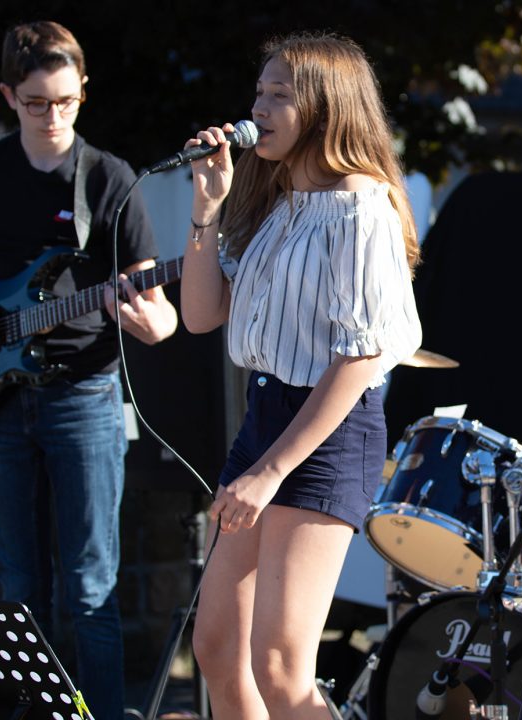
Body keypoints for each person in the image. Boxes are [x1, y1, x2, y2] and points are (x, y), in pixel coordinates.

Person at [0, 21, 178, 718]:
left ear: (84, 92)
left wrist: (147, 323)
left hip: (84, 395)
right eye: (36, 103)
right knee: (19, 588)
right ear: (7, 97)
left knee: (90, 589)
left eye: (66, 102)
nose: (53, 117)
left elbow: (162, 314)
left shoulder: (107, 178)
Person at [179, 33, 422, 718]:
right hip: (264, 419)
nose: (259, 107)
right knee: (216, 647)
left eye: (279, 95)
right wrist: (206, 210)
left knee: (281, 666)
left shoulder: (362, 207)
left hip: (325, 433)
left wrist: (271, 472)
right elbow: (200, 315)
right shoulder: (278, 201)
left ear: (325, 107)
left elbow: (362, 356)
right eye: (259, 91)